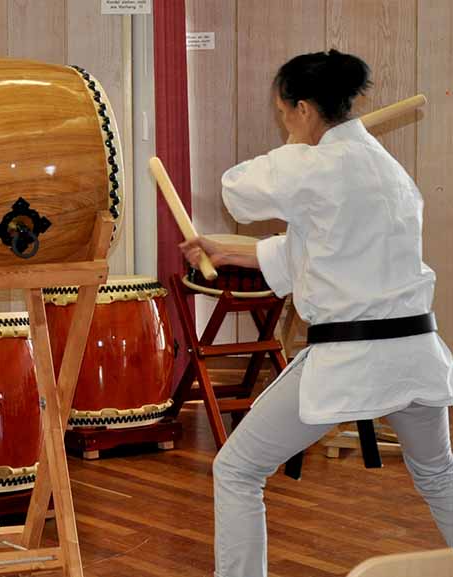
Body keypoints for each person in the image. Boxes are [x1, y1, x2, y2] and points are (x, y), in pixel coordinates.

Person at [181, 49, 453, 577]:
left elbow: (235, 189)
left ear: (304, 109)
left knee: (237, 469)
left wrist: (295, 147)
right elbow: (321, 249)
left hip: (349, 357)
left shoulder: (308, 164)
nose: (284, 122)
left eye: (285, 113)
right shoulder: (391, 173)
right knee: (439, 474)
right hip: (415, 353)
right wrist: (232, 251)